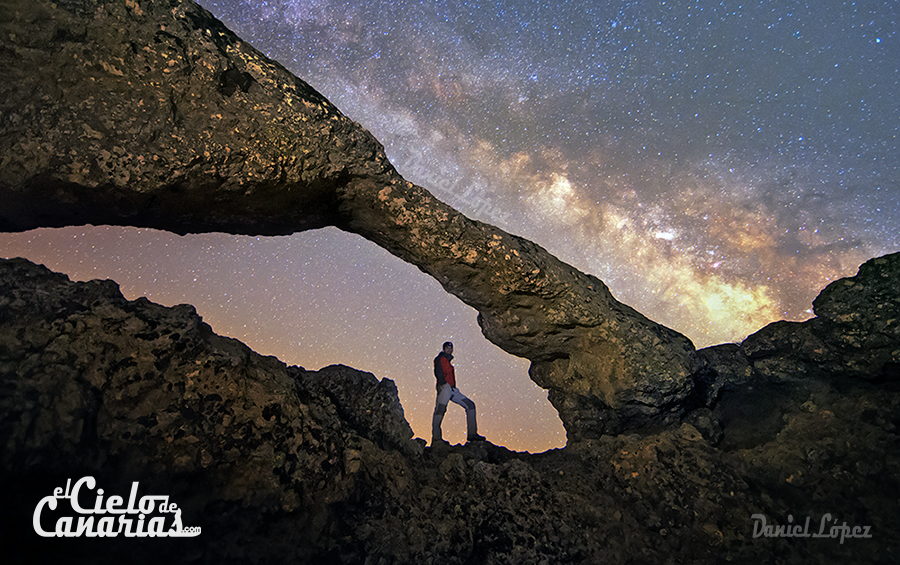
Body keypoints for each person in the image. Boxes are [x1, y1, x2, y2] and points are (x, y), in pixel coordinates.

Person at [432, 341, 485, 446]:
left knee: (470, 405)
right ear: (443, 349)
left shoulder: (448, 361)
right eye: (447, 348)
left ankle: (472, 434)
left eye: (451, 348)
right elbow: (437, 370)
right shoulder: (440, 358)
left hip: (453, 389)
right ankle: (436, 439)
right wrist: (442, 383)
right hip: (445, 387)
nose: (449, 350)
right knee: (440, 409)